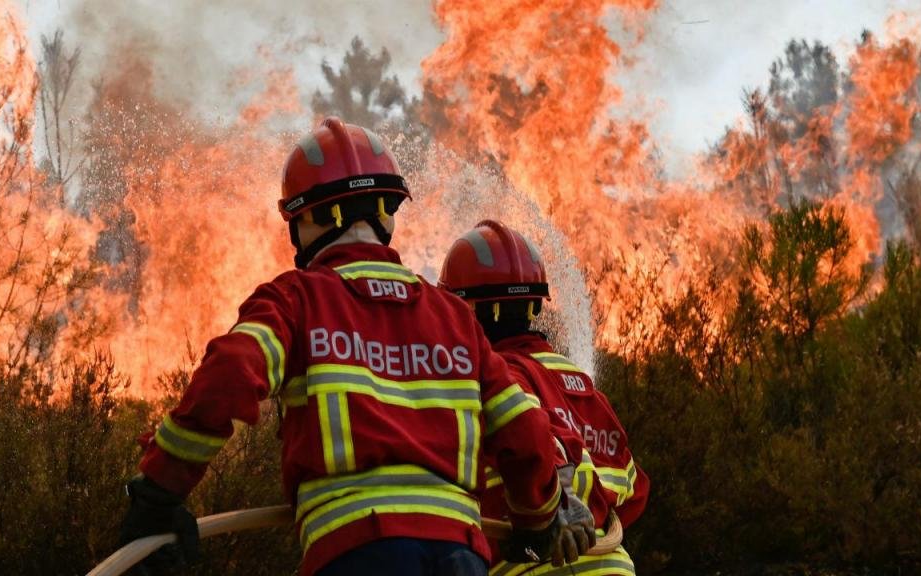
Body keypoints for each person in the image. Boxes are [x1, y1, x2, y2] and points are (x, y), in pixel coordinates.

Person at [119, 118, 595, 576]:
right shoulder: (455, 318)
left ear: (304, 218)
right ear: (386, 212)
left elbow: (228, 376)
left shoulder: (296, 299)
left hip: (355, 552)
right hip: (459, 556)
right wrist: (539, 519)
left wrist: (160, 492)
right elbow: (523, 428)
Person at [439, 220, 650, 575]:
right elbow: (635, 490)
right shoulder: (581, 386)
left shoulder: (491, 380)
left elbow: (537, 440)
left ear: (465, 310)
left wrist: (550, 510)